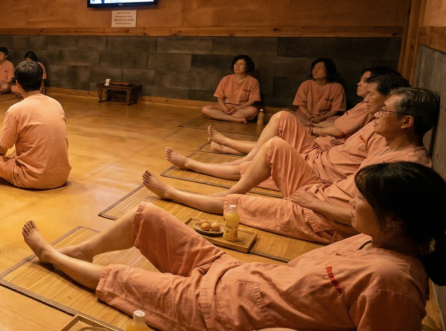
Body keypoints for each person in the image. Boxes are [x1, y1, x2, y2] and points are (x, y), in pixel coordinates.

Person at [20, 161, 441, 331]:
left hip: (227, 315)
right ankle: (85, 251)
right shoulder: (371, 239)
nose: (350, 203)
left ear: (394, 220)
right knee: (147, 214)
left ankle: (53, 257)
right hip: (236, 273)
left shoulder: (392, 281)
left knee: (124, 279)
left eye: (361, 200)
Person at [143, 87, 437, 243]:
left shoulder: (407, 168)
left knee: (236, 207)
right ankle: (233, 186)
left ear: (406, 122)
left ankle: (173, 193)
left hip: (322, 216)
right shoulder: (387, 143)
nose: (376, 115)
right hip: (321, 189)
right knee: (274, 145)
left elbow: (365, 220)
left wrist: (313, 202)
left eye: (384, 110)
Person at [167, 74, 409, 188]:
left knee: (267, 149)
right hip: (319, 149)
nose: (363, 93)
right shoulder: (374, 117)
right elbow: (306, 108)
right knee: (282, 117)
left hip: (320, 159)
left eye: (369, 91)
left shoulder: (384, 132)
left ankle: (198, 164)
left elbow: (337, 128)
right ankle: (233, 149)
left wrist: (312, 126)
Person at [208, 67, 399, 155]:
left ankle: (226, 144)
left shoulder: (362, 104)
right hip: (313, 123)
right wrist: (309, 120)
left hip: (322, 137)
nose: (359, 84)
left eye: (365, 81)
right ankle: (226, 145)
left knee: (272, 134)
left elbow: (337, 118)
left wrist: (313, 127)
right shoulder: (307, 84)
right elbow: (301, 105)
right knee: (284, 118)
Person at [0, 61, 70, 189]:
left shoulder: (16, 110)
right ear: (41, 83)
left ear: (18, 85)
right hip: (61, 176)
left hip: (31, 178)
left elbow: (1, 150)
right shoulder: (56, 104)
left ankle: (3, 173)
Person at [201, 55, 261, 123]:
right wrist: (224, 108)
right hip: (227, 107)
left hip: (242, 108)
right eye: (236, 64)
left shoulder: (253, 81)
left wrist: (237, 109)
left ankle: (221, 117)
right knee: (205, 109)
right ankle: (234, 119)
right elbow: (220, 97)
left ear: (247, 67)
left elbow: (252, 100)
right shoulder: (226, 79)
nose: (237, 66)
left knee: (253, 111)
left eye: (241, 64)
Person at [292, 58, 346, 126]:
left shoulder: (337, 87)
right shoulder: (306, 84)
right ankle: (314, 127)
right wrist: (308, 115)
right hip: (306, 116)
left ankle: (312, 128)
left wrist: (321, 118)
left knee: (338, 122)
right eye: (314, 68)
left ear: (329, 70)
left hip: (326, 118)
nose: (315, 71)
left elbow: (335, 110)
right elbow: (301, 105)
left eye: (320, 68)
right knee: (289, 117)